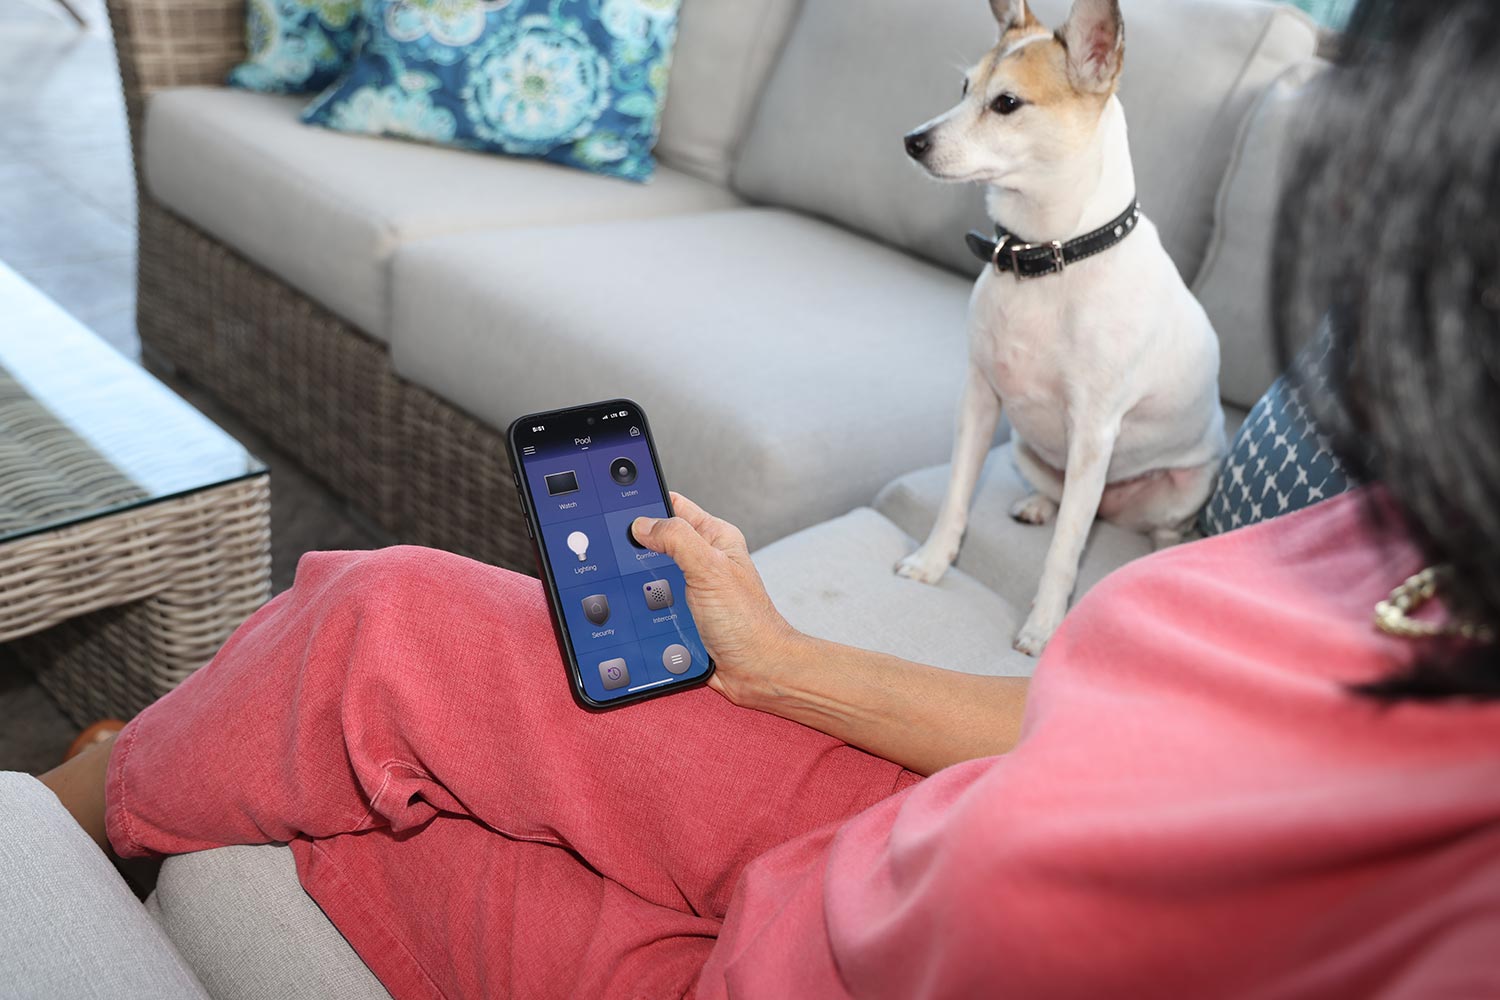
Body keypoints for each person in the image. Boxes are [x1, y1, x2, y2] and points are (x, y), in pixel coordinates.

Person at [39, 0, 1500, 995]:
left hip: (829, 961)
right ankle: (83, 792)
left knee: (352, 833)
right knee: (378, 614)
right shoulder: (1403, 530)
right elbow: (1096, 726)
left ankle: (92, 806)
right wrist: (784, 662)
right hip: (927, 816)